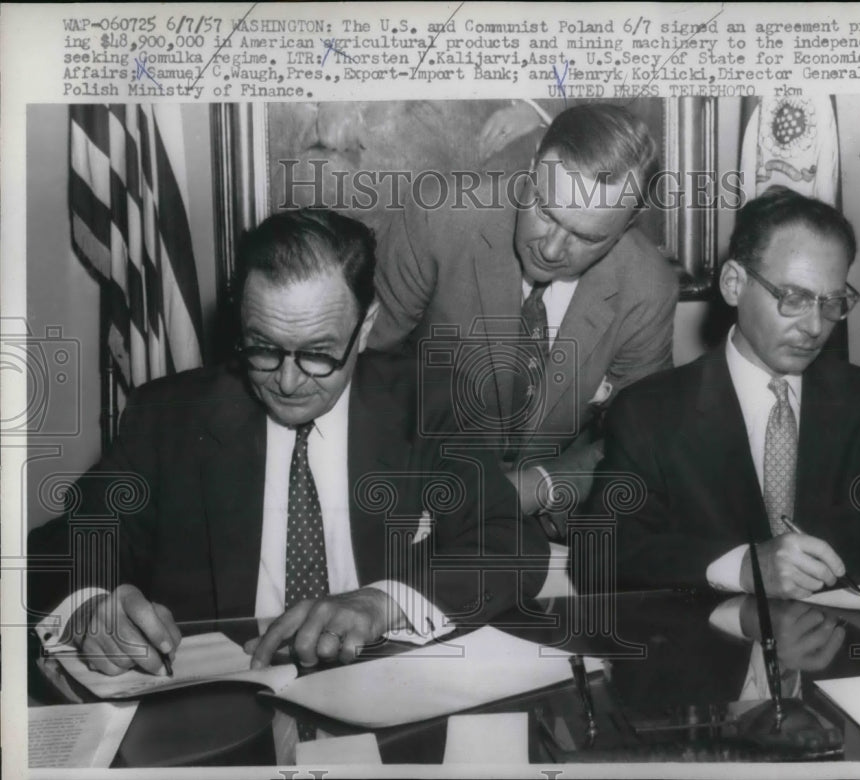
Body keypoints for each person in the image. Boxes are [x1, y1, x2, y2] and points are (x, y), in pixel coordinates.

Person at [27, 209, 548, 675]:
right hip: (218, 714)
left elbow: (510, 546)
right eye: (264, 348)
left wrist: (380, 603)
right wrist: (89, 609)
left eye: (319, 353)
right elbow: (56, 551)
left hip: (382, 688)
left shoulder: (428, 401)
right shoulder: (168, 419)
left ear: (365, 328)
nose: (288, 381)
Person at [576, 187, 860, 598]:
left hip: (842, 652)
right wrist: (742, 567)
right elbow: (598, 555)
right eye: (794, 298)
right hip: (710, 654)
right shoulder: (650, 411)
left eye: (832, 302)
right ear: (733, 284)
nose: (815, 326)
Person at [368, 103, 680, 525]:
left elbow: (644, 440)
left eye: (586, 237)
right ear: (532, 168)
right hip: (411, 494)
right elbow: (362, 368)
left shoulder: (647, 287)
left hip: (552, 518)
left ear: (627, 226)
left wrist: (538, 487)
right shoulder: (438, 216)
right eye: (545, 212)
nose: (550, 250)